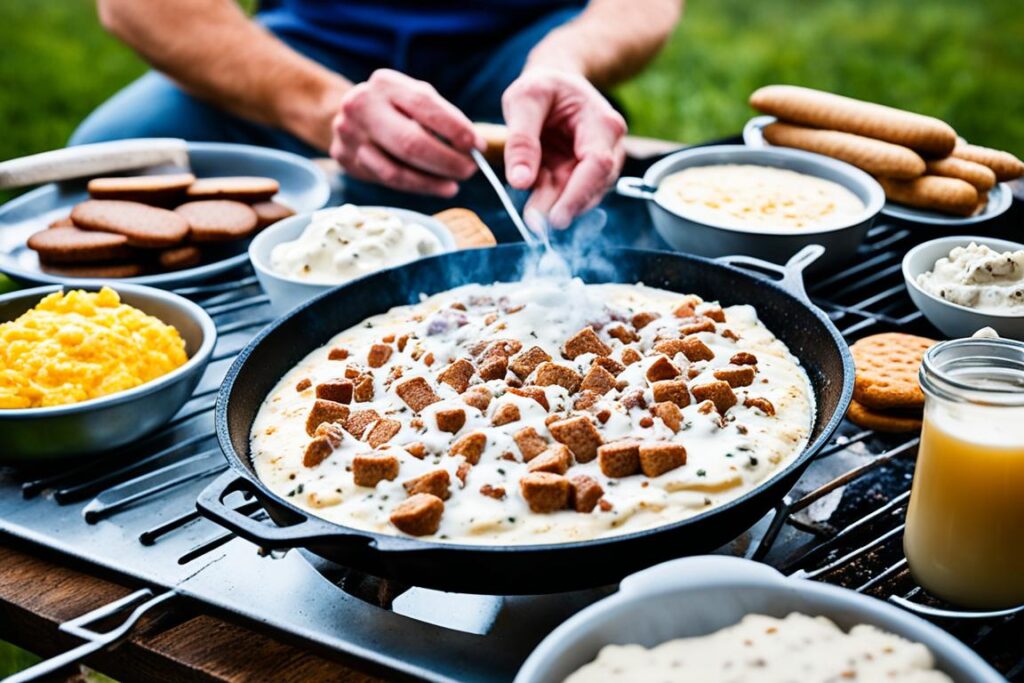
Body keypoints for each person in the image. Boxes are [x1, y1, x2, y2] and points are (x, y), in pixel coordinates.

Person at [74, 0, 682, 228]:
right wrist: (320, 106)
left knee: (589, 206)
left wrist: (567, 61)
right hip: (306, 46)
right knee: (102, 167)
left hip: (523, 51)